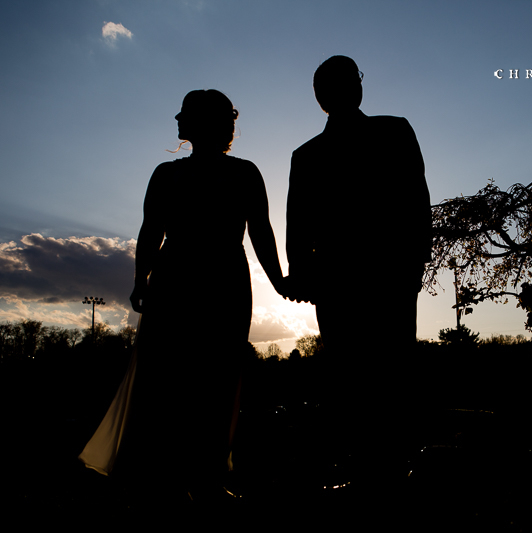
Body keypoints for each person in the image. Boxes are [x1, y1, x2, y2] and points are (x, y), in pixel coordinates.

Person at [79, 89, 286, 502]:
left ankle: (208, 474)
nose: (176, 118)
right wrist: (142, 279)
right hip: (177, 280)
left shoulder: (245, 172)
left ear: (205, 122)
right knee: (168, 375)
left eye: (185, 113)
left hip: (223, 280)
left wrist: (279, 281)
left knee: (218, 375)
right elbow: (150, 231)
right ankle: (166, 474)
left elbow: (261, 230)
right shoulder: (166, 174)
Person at [284, 56, 431, 490]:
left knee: (377, 371)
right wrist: (305, 275)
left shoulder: (315, 153)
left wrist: (415, 264)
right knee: (362, 373)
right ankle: (372, 466)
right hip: (363, 279)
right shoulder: (389, 132)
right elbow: (298, 224)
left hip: (371, 278)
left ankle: (383, 465)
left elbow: (417, 202)